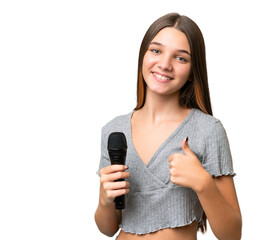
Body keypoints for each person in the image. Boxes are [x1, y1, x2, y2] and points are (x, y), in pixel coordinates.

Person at [95, 12, 242, 240]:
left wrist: (203, 183)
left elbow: (231, 235)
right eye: (156, 50)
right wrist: (106, 199)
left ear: (194, 71)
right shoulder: (114, 130)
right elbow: (108, 228)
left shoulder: (208, 130)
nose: (164, 64)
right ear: (143, 55)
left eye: (180, 58)